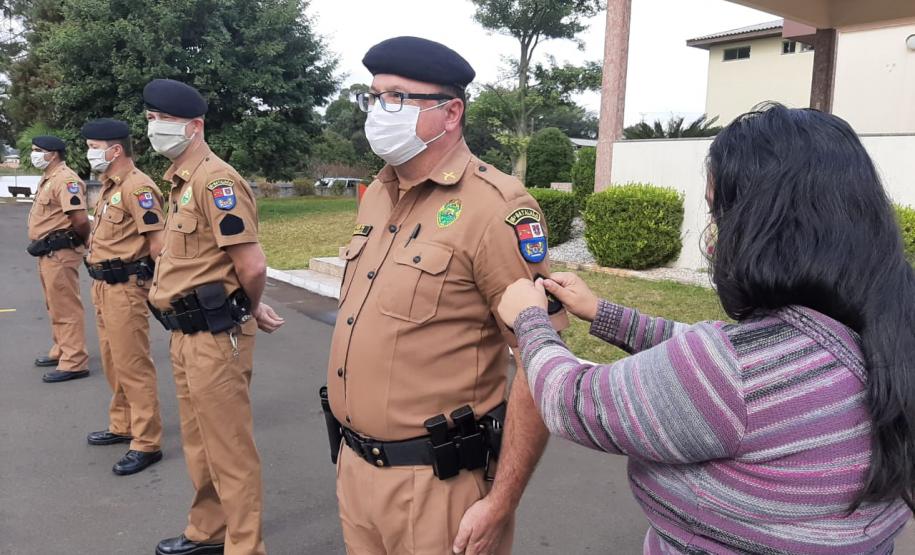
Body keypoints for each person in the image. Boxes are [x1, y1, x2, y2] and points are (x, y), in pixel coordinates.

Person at [497, 104, 915, 553]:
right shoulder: (881, 334)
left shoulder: (733, 373)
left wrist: (530, 320)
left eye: (720, 215)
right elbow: (720, 366)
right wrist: (603, 313)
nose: (716, 235)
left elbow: (573, 400)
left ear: (765, 225)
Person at [323, 36, 568, 555]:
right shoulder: (379, 195)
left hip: (437, 490)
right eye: (373, 97)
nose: (377, 111)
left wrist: (501, 500)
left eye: (395, 98)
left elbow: (539, 363)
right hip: (355, 470)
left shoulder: (495, 207)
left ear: (450, 111)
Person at [143, 79, 284, 555]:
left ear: (195, 126)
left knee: (229, 450)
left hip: (216, 335)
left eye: (161, 119)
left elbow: (252, 264)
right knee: (201, 444)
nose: (153, 127)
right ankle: (209, 530)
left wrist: (248, 304)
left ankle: (245, 547)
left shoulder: (216, 181)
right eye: (149, 119)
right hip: (186, 333)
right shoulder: (181, 182)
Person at [81, 118, 165, 475]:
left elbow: (158, 244)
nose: (89, 153)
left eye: (93, 147)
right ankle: (123, 423)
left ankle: (146, 441)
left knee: (133, 364)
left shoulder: (138, 188)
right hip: (103, 286)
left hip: (126, 287)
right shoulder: (109, 187)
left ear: (114, 150)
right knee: (114, 360)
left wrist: (157, 288)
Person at [26, 135, 91, 383]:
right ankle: (62, 349)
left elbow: (81, 220)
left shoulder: (66, 180)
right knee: (54, 304)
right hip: (47, 251)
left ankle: (74, 360)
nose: (33, 154)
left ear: (52, 154)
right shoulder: (50, 178)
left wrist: (79, 240)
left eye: (37, 150)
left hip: (60, 251)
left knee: (65, 306)